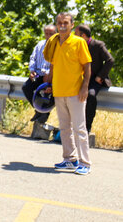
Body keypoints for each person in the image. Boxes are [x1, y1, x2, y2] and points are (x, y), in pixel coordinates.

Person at [43, 12, 92, 175]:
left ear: (72, 25)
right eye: (59, 23)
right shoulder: (54, 42)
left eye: (65, 23)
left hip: (75, 92)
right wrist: (49, 84)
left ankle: (85, 162)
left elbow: (87, 66)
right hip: (59, 90)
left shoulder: (79, 42)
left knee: (79, 128)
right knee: (64, 128)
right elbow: (53, 66)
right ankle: (70, 159)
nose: (62, 26)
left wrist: (85, 87)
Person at [74, 24, 114, 134]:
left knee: (90, 95)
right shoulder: (76, 45)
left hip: (94, 79)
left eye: (76, 33)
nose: (73, 35)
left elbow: (110, 60)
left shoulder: (97, 45)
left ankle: (87, 127)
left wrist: (100, 76)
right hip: (79, 78)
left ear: (83, 35)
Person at [22, 24, 56, 123]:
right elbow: (33, 58)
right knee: (26, 87)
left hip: (50, 75)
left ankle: (44, 112)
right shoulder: (40, 44)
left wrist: (49, 75)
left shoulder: (58, 46)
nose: (48, 36)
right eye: (47, 33)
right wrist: (32, 70)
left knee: (46, 91)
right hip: (38, 72)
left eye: (51, 33)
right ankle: (39, 110)